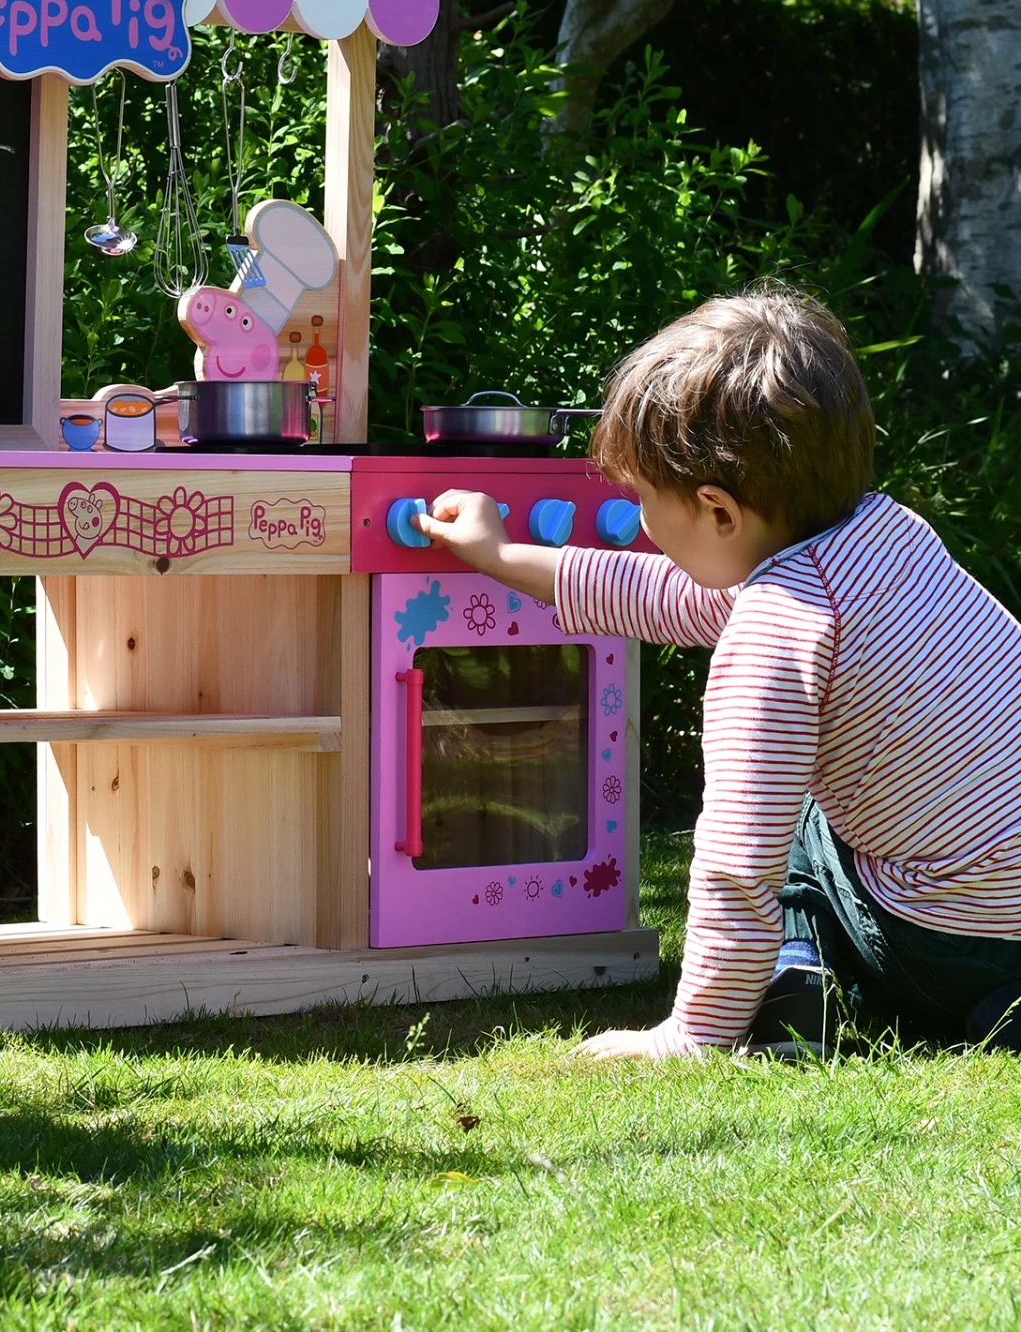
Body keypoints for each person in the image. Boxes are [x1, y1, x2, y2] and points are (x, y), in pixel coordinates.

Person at [415, 288, 1021, 1059]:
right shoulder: (885, 535)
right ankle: (1001, 1003)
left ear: (719, 512)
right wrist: (503, 557)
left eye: (644, 498)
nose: (642, 522)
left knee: (798, 816)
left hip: (950, 933)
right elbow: (674, 597)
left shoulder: (777, 629)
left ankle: (800, 982)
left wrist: (693, 1033)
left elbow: (740, 860)